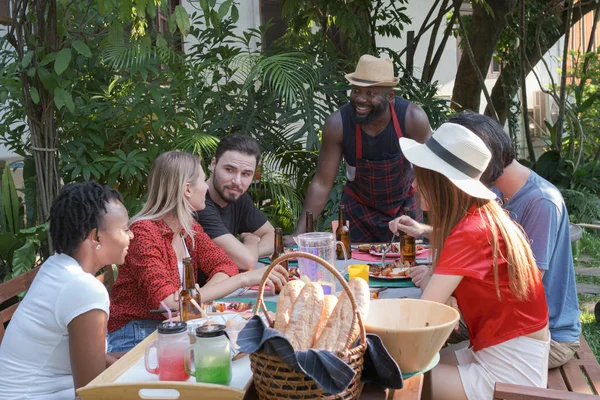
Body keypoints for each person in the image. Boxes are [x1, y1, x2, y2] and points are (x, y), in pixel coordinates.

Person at [396, 112, 581, 369]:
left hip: (540, 339)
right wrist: (426, 233)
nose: (414, 186)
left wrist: (439, 286)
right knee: (420, 351)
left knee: (410, 366)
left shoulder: (541, 201)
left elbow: (521, 286)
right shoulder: (491, 203)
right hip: (507, 334)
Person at [108, 151, 287, 352]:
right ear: (187, 190)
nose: (206, 188)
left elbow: (224, 265)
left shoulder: (187, 228)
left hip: (173, 329)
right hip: (134, 335)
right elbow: (168, 301)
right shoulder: (145, 232)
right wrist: (243, 280)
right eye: (203, 181)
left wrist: (195, 301)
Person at [0, 182, 132, 399]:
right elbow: (90, 393)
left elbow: (92, 358)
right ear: (96, 237)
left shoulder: (57, 266)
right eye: (125, 229)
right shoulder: (83, 288)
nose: (131, 236)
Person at [286, 54, 431, 244]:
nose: (360, 99)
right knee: (353, 268)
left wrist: (440, 229)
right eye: (356, 91)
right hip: (358, 212)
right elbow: (322, 182)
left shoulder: (412, 118)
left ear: (390, 96)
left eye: (370, 93)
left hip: (404, 208)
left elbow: (432, 175)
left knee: (407, 266)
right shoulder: (337, 124)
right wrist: (300, 233)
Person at [195, 135, 274, 270]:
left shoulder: (237, 196)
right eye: (229, 170)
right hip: (200, 289)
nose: (237, 181)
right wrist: (251, 240)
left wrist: (248, 252)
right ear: (213, 164)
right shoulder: (199, 203)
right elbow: (246, 261)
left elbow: (272, 236)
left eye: (246, 174)